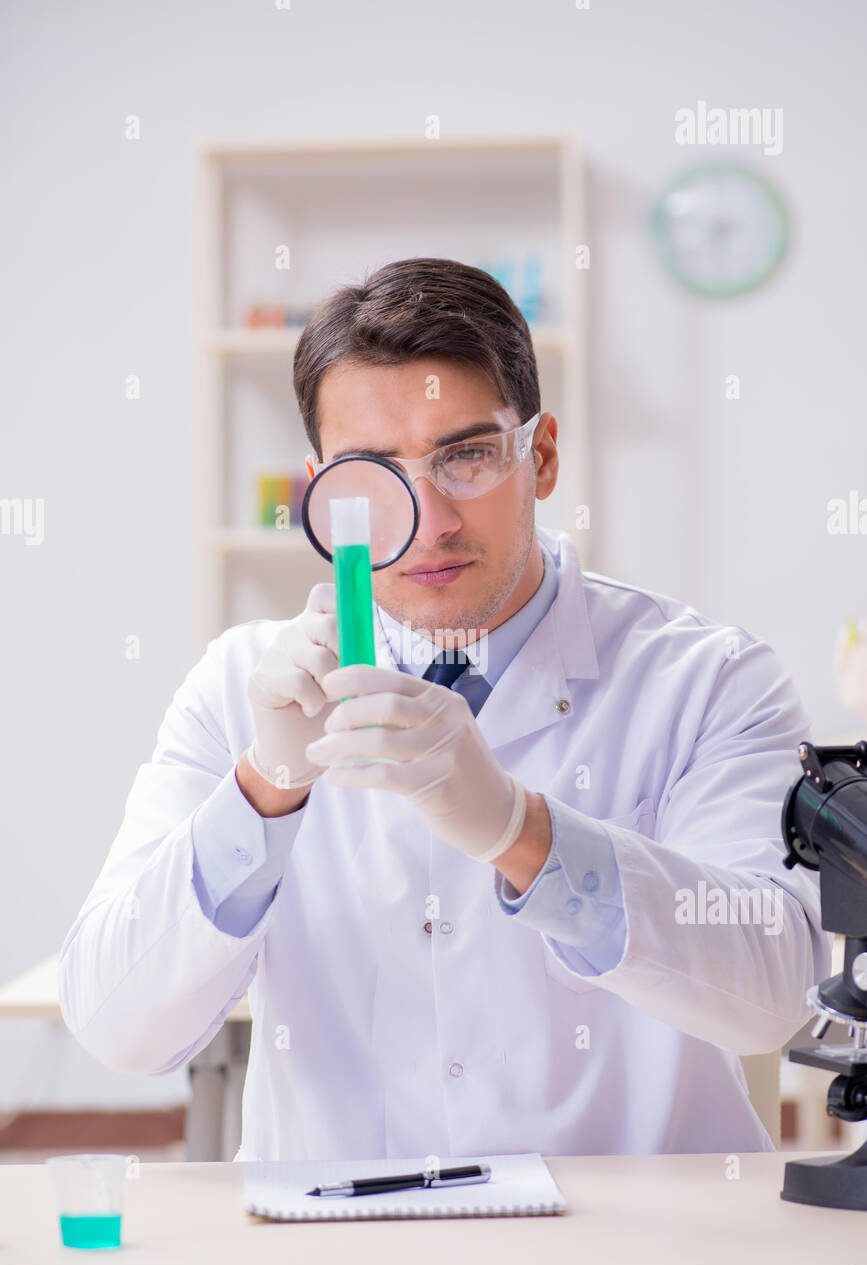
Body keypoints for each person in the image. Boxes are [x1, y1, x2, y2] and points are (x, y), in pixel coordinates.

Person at [59, 257, 828, 1160]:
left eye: (463, 456)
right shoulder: (240, 691)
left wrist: (520, 831)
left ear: (538, 457)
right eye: (371, 474)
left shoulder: (706, 678)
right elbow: (117, 1028)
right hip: (338, 1245)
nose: (427, 521)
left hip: (634, 1246)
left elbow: (773, 997)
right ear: (322, 496)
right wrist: (264, 791)